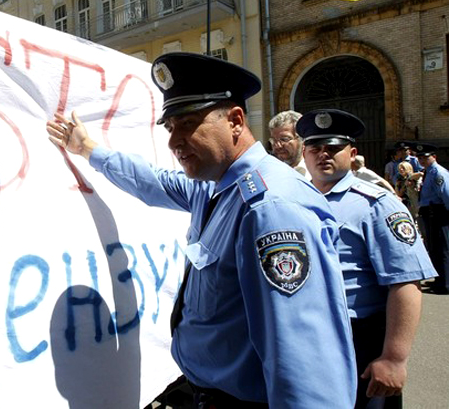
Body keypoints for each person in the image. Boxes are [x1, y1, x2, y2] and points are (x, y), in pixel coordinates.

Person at [47, 53, 356, 408]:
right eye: (170, 127)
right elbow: (151, 182)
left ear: (236, 121)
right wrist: (87, 149)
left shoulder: (271, 209)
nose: (173, 141)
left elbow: (305, 357)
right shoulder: (215, 186)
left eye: (188, 123)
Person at [297, 109, 436, 409]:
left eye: (333, 148)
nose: (324, 155)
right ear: (305, 155)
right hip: (308, 339)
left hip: (361, 339)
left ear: (352, 152)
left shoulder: (377, 205)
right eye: (315, 149)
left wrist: (394, 358)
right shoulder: (294, 200)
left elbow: (406, 282)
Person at [414, 142, 449, 295]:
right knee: (434, 247)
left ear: (434, 157)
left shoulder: (438, 173)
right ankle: (439, 279)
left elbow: (446, 195)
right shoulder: (427, 171)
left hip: (439, 213)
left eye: (425, 157)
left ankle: (446, 284)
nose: (422, 160)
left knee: (443, 248)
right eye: (419, 157)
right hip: (430, 213)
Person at [267, 110, 310, 178]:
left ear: (302, 139)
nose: (278, 146)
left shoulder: (315, 172)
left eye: (284, 139)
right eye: (274, 141)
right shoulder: (270, 174)